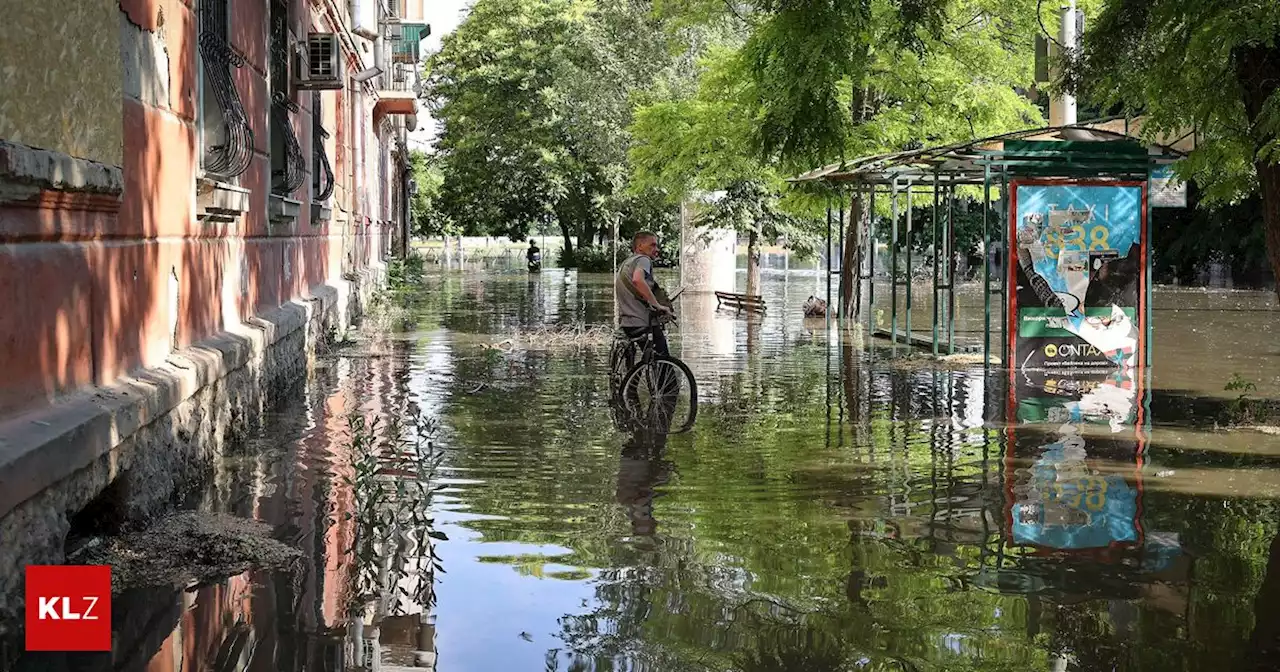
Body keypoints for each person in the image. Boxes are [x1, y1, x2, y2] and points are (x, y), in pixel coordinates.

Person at [615, 231, 673, 356]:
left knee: (644, 362)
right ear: (640, 246)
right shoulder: (643, 259)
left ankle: (634, 375)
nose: (656, 249)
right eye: (652, 245)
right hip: (642, 322)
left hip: (627, 323)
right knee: (665, 366)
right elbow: (638, 280)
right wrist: (657, 305)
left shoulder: (626, 263)